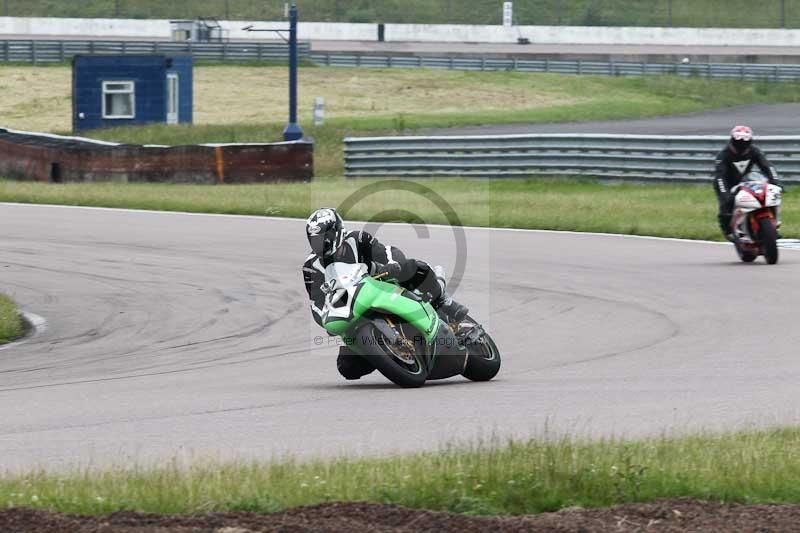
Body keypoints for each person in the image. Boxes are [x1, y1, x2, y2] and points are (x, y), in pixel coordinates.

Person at [302, 207, 468, 380]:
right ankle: (385, 354)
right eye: (314, 240)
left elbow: (387, 252)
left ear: (336, 232)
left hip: (382, 282)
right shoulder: (311, 267)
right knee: (347, 367)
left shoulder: (357, 239)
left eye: (324, 238)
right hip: (351, 308)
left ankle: (443, 300)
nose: (320, 244)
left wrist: (393, 264)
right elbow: (316, 303)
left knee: (410, 268)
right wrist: (325, 320)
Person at [714, 125, 782, 240]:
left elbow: (767, 166)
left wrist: (775, 182)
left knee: (768, 197)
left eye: (744, 141)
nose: (741, 144)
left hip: (746, 181)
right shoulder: (723, 155)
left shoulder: (754, 151)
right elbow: (720, 177)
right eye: (738, 141)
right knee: (726, 206)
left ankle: (773, 226)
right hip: (726, 184)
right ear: (732, 140)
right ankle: (727, 230)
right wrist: (726, 195)